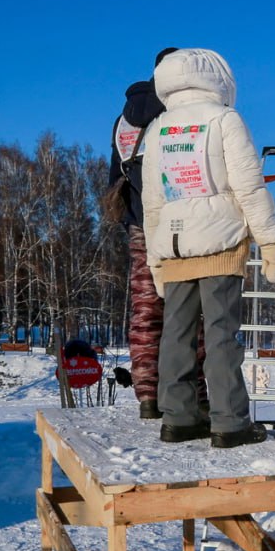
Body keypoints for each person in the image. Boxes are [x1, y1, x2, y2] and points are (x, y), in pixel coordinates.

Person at [140, 48, 275, 448]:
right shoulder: (224, 119)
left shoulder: (159, 128)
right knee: (221, 333)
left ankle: (178, 418)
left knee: (176, 334)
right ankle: (229, 422)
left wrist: (155, 259)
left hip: (174, 243)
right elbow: (248, 186)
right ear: (218, 78)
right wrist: (270, 240)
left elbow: (152, 201)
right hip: (220, 241)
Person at [103, 50, 172, 419]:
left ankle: (147, 394)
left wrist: (131, 221)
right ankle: (192, 392)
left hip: (138, 224)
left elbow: (114, 179)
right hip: (181, 223)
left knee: (146, 308)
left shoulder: (123, 121)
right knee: (187, 307)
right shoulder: (182, 114)